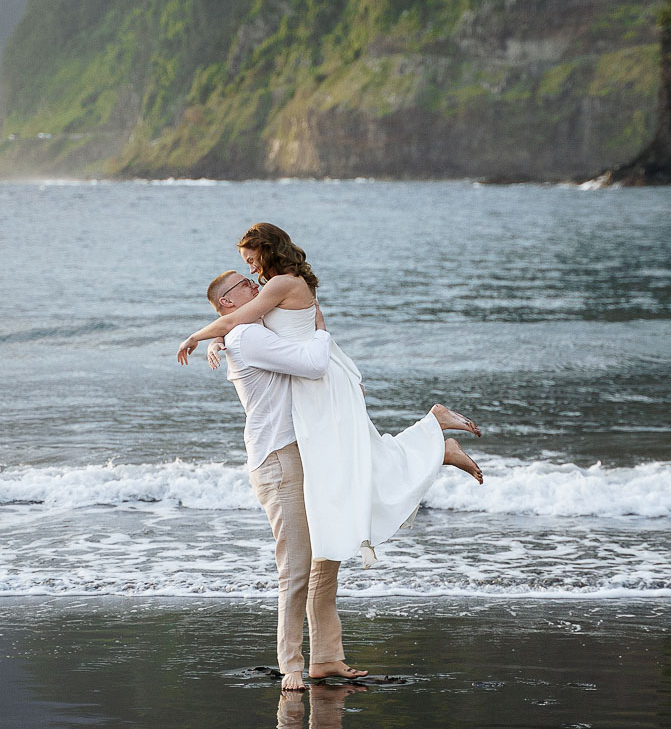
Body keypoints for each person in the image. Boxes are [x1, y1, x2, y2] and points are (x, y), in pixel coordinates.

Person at [180, 263, 483, 690]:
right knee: (296, 568)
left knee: (326, 556)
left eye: (254, 277)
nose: (256, 284)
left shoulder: (253, 327)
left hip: (306, 451)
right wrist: (320, 330)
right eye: (246, 284)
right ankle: (291, 664)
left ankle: (326, 658)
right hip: (279, 460)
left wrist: (212, 339)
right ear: (228, 302)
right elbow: (313, 363)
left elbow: (274, 334)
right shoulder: (248, 335)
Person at [177, 224, 482, 569]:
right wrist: (216, 341)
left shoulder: (280, 284)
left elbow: (237, 319)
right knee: (357, 455)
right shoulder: (279, 284)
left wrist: (195, 337)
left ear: (266, 249)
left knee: (353, 459)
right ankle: (435, 443)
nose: (250, 269)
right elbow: (239, 321)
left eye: (251, 259)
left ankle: (435, 439)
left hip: (319, 377)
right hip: (318, 374)